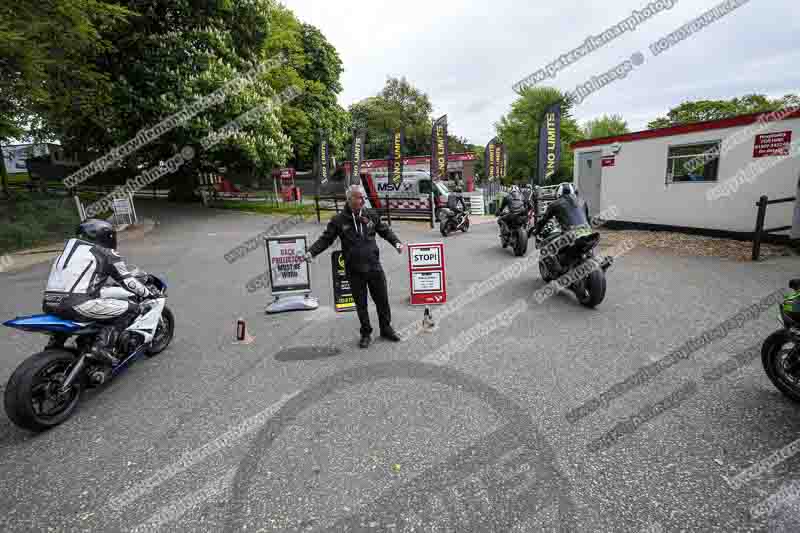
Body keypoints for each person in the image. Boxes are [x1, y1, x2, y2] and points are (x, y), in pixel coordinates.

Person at [42, 219, 152, 367]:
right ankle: (101, 347)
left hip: (49, 303)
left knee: (77, 311)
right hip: (77, 305)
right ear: (107, 237)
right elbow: (128, 281)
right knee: (131, 309)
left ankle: (55, 345)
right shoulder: (105, 253)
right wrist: (148, 294)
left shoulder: (69, 251)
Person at [305, 184, 404, 348]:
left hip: (374, 266)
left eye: (363, 196)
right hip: (354, 269)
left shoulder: (370, 214)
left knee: (382, 300)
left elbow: (384, 230)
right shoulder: (339, 220)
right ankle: (366, 332)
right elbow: (326, 239)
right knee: (361, 303)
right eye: (358, 197)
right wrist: (312, 252)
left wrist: (397, 243)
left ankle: (386, 328)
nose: (362, 200)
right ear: (349, 200)